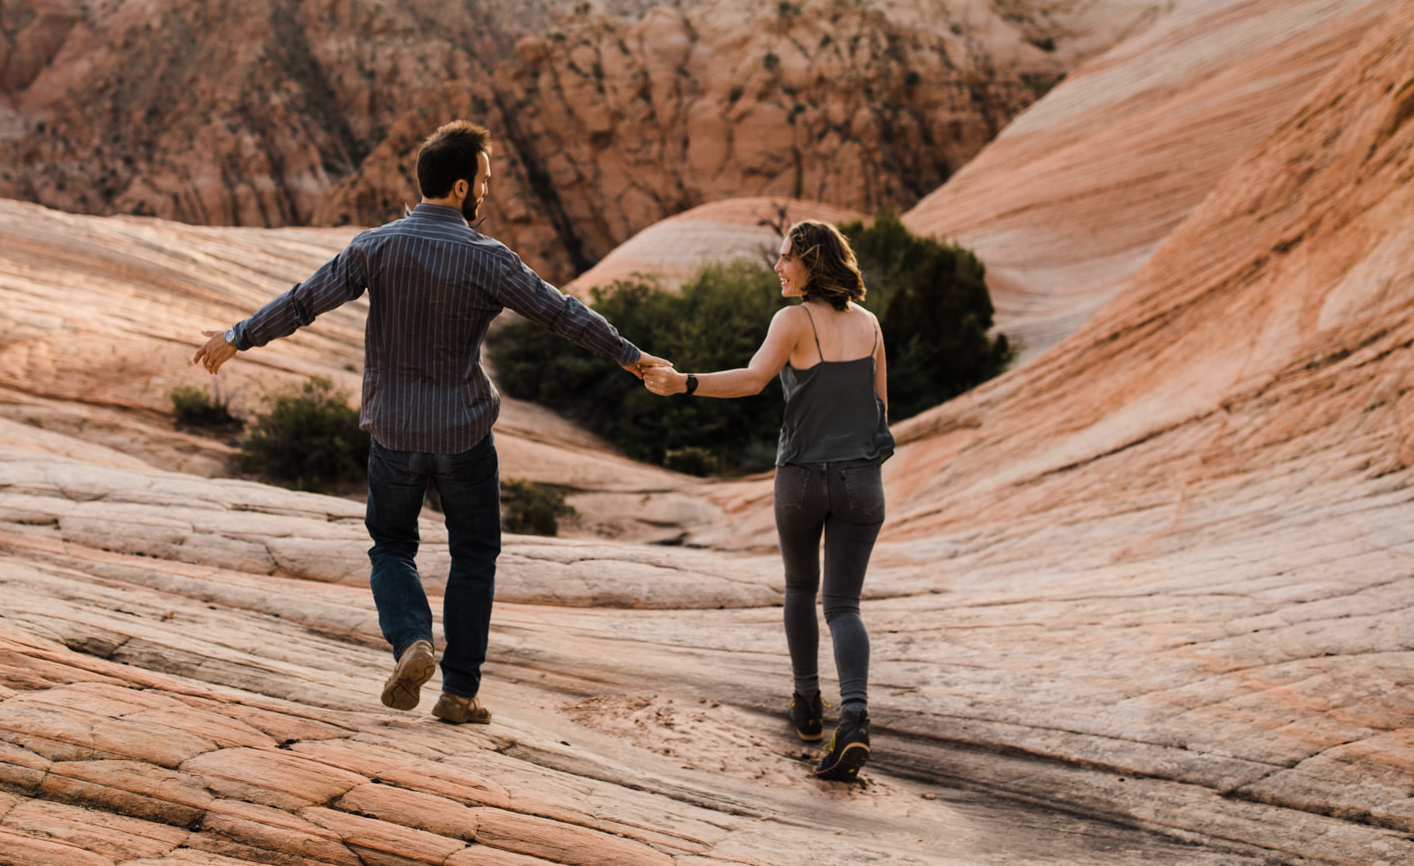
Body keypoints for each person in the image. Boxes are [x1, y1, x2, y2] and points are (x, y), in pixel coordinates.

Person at [194, 120, 665, 724]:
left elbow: (304, 301)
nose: (488, 193)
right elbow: (562, 314)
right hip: (464, 432)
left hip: (393, 430)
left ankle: (412, 639)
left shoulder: (376, 245)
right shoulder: (489, 258)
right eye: (486, 181)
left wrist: (237, 336)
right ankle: (459, 692)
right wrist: (629, 354)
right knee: (474, 553)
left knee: (391, 544)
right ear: (463, 186)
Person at [644, 219, 892, 780]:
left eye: (785, 258)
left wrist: (684, 382)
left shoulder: (793, 319)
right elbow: (880, 409)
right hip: (861, 480)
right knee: (845, 605)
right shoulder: (872, 326)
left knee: (801, 589)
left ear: (811, 263)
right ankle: (854, 720)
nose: (778, 268)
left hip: (801, 478)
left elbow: (754, 380)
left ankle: (807, 706)